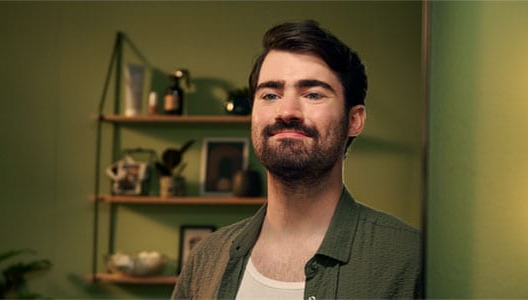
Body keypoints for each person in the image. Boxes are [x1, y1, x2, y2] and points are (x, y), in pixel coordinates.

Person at [172, 19, 421, 299]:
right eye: (270, 94)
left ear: (354, 120)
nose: (286, 111)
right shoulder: (206, 259)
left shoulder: (410, 260)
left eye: (313, 94)